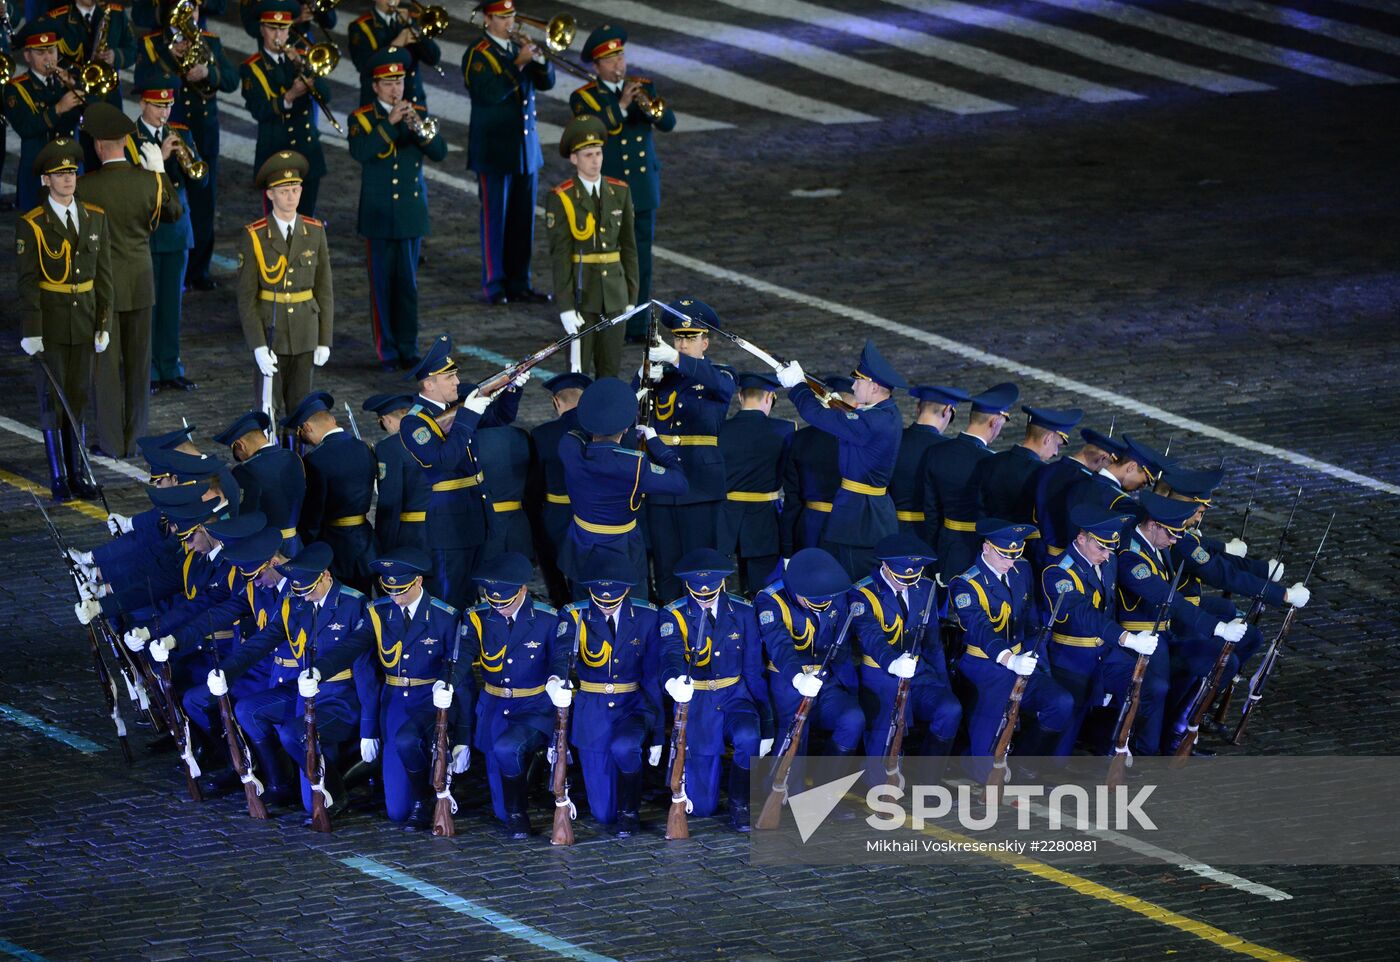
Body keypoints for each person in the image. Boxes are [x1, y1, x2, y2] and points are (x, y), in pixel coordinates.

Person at [219, 542, 374, 819]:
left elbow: (362, 666)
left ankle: (336, 792)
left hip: (342, 696)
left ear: (326, 576)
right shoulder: (296, 602)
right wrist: (226, 670)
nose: (308, 598)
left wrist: (368, 726)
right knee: (247, 709)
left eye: (311, 590)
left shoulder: (354, 604)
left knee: (293, 733)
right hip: (306, 694)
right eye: (301, 591)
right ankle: (282, 783)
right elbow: (262, 642)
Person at [317, 548, 468, 827]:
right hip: (395, 701)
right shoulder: (378, 612)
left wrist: (464, 737)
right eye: (390, 590)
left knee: (408, 740)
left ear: (419, 582)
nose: (396, 597)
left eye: (402, 591)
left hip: (431, 698)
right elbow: (351, 647)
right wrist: (319, 671)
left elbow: (461, 673)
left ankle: (425, 798)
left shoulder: (444, 616)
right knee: (397, 812)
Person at [75, 100, 181, 459]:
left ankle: (110, 441)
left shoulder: (85, 188)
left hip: (102, 289)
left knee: (105, 371)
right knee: (138, 368)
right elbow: (174, 212)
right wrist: (160, 173)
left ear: (100, 145)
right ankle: (135, 440)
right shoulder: (147, 182)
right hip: (140, 283)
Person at [16, 136, 113, 500]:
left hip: (85, 320)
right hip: (52, 325)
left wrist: (102, 323)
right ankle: (59, 475)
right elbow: (28, 282)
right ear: (46, 180)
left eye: (71, 171)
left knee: (78, 397)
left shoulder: (94, 218)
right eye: (59, 174)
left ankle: (79, 473)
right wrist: (32, 329)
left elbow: (104, 277)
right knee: (51, 400)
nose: (68, 179)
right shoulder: (34, 224)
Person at [397, 334, 525, 610]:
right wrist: (468, 415)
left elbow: (501, 417)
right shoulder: (414, 423)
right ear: (429, 384)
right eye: (449, 378)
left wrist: (512, 388)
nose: (457, 382)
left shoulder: (457, 406)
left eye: (456, 376)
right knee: (452, 594)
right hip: (450, 522)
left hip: (477, 509)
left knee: (477, 590)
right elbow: (445, 460)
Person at [1116, 491, 1244, 755]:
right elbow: (1169, 599)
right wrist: (1218, 628)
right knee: (1157, 692)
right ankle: (1141, 750)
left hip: (1166, 635)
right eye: (1171, 533)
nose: (1175, 540)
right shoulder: (1132, 557)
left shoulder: (1157, 544)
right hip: (1141, 640)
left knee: (1222, 661)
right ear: (1152, 525)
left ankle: (1178, 729)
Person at [569, 23, 674, 340]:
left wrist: (647, 105)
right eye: (611, 60)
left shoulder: (645, 86)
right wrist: (623, 106)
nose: (619, 64)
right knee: (609, 259)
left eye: (621, 56)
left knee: (641, 260)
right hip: (608, 190)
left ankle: (639, 324)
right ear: (597, 65)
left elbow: (668, 122)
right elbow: (593, 132)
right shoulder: (584, 97)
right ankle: (610, 321)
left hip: (642, 190)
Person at [949, 519, 1073, 782]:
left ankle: (1022, 761)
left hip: (1022, 659)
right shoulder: (966, 584)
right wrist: (1009, 659)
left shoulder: (1021, 570)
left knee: (1060, 702)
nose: (1010, 561)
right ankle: (972, 759)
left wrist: (1038, 662)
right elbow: (980, 630)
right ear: (986, 548)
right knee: (986, 774)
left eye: (1015, 555)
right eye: (1004, 555)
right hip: (984, 664)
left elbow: (1029, 621)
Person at [655, 550, 770, 830]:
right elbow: (670, 655)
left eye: (710, 592)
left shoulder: (743, 612)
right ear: (687, 586)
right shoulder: (674, 615)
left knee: (748, 735)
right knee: (702, 808)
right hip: (698, 703)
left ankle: (740, 803)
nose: (705, 597)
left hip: (735, 696)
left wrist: (767, 723)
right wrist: (673, 680)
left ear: (722, 584)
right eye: (698, 593)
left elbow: (754, 669)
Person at [349, 46, 448, 372]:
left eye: (400, 82)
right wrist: (390, 124)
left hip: (409, 215)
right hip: (377, 216)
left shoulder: (418, 112)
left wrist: (418, 127)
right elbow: (362, 151)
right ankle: (387, 350)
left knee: (407, 286)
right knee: (381, 287)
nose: (396, 89)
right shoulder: (362, 118)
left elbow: (440, 152)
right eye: (389, 83)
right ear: (375, 86)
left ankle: (408, 346)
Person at [131, 0, 238, 291]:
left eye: (193, 11)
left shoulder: (211, 42)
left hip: (203, 133)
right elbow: (141, 80)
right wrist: (169, 57)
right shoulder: (153, 44)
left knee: (205, 203)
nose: (189, 17)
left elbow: (231, 79)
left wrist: (209, 74)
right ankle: (167, 260)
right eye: (182, 12)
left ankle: (199, 270)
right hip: (168, 131)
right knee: (168, 197)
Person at [776, 340, 906, 580]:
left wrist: (797, 386)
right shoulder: (884, 413)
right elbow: (854, 418)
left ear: (875, 387)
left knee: (853, 582)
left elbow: (813, 414)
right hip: (861, 514)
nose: (854, 386)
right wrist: (833, 402)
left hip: (859, 519)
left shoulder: (872, 421)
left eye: (859, 381)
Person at [457, 552, 565, 838]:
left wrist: (557, 679)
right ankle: (516, 803)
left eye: (506, 602)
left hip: (534, 707)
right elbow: (463, 655)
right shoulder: (478, 617)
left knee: (507, 749)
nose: (500, 608)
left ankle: (521, 816)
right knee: (499, 807)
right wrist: (447, 682)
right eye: (494, 602)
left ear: (522, 590)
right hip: (494, 706)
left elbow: (560, 657)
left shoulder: (547, 619)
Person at [1041, 504, 1163, 757]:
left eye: (1111, 548)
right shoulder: (1058, 573)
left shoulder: (1108, 560)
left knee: (1150, 689)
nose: (1107, 555)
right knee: (1061, 745)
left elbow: (1109, 606)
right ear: (1081, 538)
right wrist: (1127, 638)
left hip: (1106, 653)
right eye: (1101, 547)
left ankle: (1113, 745)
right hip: (1073, 657)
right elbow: (1085, 614)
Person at [556, 551, 662, 834]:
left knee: (625, 747)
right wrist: (557, 680)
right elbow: (562, 654)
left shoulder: (647, 616)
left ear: (627, 591)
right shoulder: (574, 614)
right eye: (599, 599)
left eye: (612, 600)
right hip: (593, 712)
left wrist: (660, 734)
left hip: (633, 706)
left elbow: (652, 676)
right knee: (602, 814)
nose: (605, 606)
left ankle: (630, 813)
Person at [557, 376, 687, 598]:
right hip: (623, 545)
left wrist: (611, 408)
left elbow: (578, 428)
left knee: (583, 605)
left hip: (582, 543)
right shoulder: (636, 465)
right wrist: (653, 440)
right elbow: (680, 483)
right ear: (626, 428)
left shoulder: (569, 448)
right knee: (633, 608)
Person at [639, 298, 735, 599]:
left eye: (690, 338)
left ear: (705, 342)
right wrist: (641, 376)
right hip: (662, 483)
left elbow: (722, 388)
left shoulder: (721, 375)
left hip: (701, 487)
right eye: (678, 338)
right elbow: (628, 411)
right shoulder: (662, 376)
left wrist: (677, 361)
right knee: (665, 567)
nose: (682, 345)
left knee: (701, 567)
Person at [462, 0, 554, 306]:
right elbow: (487, 94)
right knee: (495, 220)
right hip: (494, 151)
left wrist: (539, 62)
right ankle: (495, 283)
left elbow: (547, 83)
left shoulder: (519, 49)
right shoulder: (478, 54)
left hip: (525, 151)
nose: (510, 22)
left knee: (522, 221)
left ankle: (520, 281)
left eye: (511, 15)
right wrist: (518, 64)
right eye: (502, 17)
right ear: (488, 19)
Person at [235, 150, 333, 424]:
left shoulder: (314, 231)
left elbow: (324, 290)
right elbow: (246, 297)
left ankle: (298, 463)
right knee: (268, 408)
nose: (291, 196)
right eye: (285, 191)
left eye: (296, 189)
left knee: (303, 411)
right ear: (270, 195)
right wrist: (256, 345)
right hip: (271, 332)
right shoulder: (255, 235)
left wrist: (324, 338)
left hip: (305, 331)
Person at [852, 534, 962, 776]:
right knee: (885, 728)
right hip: (881, 674)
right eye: (901, 577)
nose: (907, 583)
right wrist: (893, 663)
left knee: (949, 708)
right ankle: (879, 781)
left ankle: (928, 778)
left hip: (919, 671)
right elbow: (872, 637)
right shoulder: (862, 594)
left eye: (913, 577)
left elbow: (932, 644)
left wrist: (944, 684)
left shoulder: (925, 587)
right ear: (885, 566)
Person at [129, 76, 203, 394]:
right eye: (159, 105)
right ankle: (148, 371)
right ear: (143, 104)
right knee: (148, 306)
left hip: (175, 232)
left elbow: (200, 181)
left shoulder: (181, 133)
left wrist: (184, 163)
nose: (164, 111)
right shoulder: (130, 138)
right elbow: (129, 186)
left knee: (172, 304)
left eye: (168, 104)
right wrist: (159, 158)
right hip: (144, 230)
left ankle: (171, 366)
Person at [548, 114, 637, 378]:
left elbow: (629, 248)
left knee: (610, 371)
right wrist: (565, 306)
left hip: (614, 294)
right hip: (582, 292)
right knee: (577, 373)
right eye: (588, 154)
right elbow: (561, 255)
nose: (595, 160)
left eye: (598, 153)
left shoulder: (619, 192)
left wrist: (631, 296)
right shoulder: (562, 198)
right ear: (574, 159)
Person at [756, 548, 862, 762]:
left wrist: (849, 686)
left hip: (825, 679)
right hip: (787, 682)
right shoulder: (770, 601)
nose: (821, 606)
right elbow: (779, 646)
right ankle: (781, 791)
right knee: (792, 738)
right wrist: (798, 678)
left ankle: (827, 782)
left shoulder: (834, 593)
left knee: (853, 718)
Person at [239, 0, 330, 215]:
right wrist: (289, 97)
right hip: (275, 155)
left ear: (290, 30)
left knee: (307, 223)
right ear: (262, 30)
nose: (278, 35)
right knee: (278, 228)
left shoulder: (302, 56)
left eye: (283, 28)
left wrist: (303, 66)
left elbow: (326, 95)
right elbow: (259, 110)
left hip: (307, 153)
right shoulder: (252, 67)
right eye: (272, 28)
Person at [923, 382, 1019, 582]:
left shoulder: (937, 452)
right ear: (994, 422)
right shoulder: (992, 461)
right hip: (979, 551)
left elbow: (931, 511)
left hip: (947, 545)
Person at [283, 391, 376, 593]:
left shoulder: (316, 460)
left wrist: (308, 547)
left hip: (334, 547)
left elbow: (313, 513)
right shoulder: (364, 448)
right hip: (365, 540)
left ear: (306, 427)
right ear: (332, 420)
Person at [716, 372, 794, 595]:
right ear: (769, 397)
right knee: (766, 588)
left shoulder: (720, 429)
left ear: (740, 397)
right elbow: (787, 474)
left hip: (727, 516)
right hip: (764, 517)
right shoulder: (785, 429)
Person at [4, 22, 85, 213]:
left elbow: (93, 113)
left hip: (69, 166)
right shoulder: (16, 89)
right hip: (37, 171)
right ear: (27, 56)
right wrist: (58, 108)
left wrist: (74, 85)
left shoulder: (66, 80)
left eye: (51, 51)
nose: (48, 58)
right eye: (41, 53)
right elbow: (26, 127)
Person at [525, 371, 590, 606]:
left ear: (555, 402)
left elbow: (534, 486)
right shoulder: (602, 429)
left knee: (556, 574)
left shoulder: (543, 435)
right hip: (595, 515)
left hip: (557, 517)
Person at [50, 0, 137, 167]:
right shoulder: (59, 16)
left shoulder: (115, 13)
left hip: (107, 96)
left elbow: (132, 49)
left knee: (110, 156)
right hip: (74, 95)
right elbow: (52, 56)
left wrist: (116, 56)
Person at [212, 409, 306, 554]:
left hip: (267, 549)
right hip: (296, 544)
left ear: (240, 445)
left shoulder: (245, 471)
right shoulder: (294, 457)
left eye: (237, 454)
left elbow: (245, 517)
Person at [976, 405, 1083, 526]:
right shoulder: (1045, 475)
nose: (1055, 452)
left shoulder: (992, 460)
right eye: (1057, 445)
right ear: (1048, 438)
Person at [778, 374, 849, 557]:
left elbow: (792, 499)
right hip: (850, 526)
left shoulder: (799, 439)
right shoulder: (862, 439)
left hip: (810, 526)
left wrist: (787, 547)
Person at [1034, 426, 1123, 560]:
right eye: (1110, 464)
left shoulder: (1047, 468)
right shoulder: (1086, 483)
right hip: (1066, 557)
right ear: (1102, 458)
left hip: (1038, 548)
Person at [894, 385, 969, 542]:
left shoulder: (894, 439)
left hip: (889, 527)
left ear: (917, 408)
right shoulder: (949, 449)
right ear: (947, 410)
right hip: (927, 534)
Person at [362, 392, 428, 553]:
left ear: (387, 419)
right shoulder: (436, 434)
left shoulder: (389, 447)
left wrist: (384, 542)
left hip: (413, 534)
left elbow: (390, 501)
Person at [348, 0, 441, 108]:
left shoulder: (410, 21)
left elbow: (433, 58)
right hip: (378, 105)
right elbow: (363, 66)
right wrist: (395, 45)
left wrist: (413, 26)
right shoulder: (360, 27)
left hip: (412, 100)